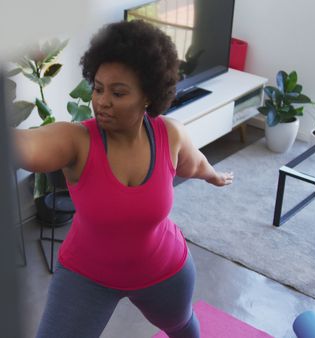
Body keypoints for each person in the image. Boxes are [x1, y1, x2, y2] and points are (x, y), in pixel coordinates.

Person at [14, 20, 233, 338]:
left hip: (163, 269)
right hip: (87, 275)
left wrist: (214, 175)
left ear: (148, 95)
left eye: (118, 93)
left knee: (182, 326)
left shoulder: (169, 135)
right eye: (98, 88)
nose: (102, 101)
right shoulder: (77, 140)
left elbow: (195, 164)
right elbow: (28, 146)